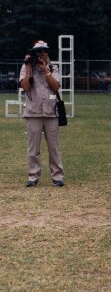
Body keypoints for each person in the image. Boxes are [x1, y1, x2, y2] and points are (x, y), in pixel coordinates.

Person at [19, 40, 64, 187]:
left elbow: (56, 86)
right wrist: (28, 70)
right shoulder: (27, 66)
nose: (42, 53)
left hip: (51, 112)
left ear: (47, 52)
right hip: (33, 112)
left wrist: (46, 71)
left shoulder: (53, 67)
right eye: (38, 51)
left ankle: (57, 176)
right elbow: (25, 87)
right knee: (33, 148)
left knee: (54, 147)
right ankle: (33, 176)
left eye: (44, 50)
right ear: (34, 52)